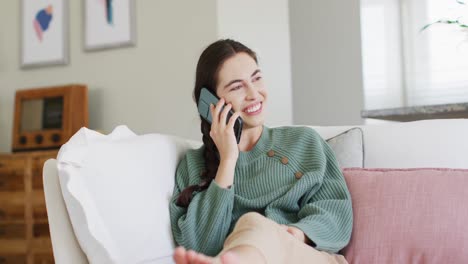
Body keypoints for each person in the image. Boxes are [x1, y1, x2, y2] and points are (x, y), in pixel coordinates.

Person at [169, 39, 353, 264]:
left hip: (305, 256)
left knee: (253, 223)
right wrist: (228, 160)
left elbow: (336, 214)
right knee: (251, 226)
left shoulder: (304, 142)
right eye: (237, 87)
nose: (254, 93)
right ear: (211, 104)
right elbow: (200, 245)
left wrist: (293, 234)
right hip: (230, 254)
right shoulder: (192, 166)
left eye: (256, 78)